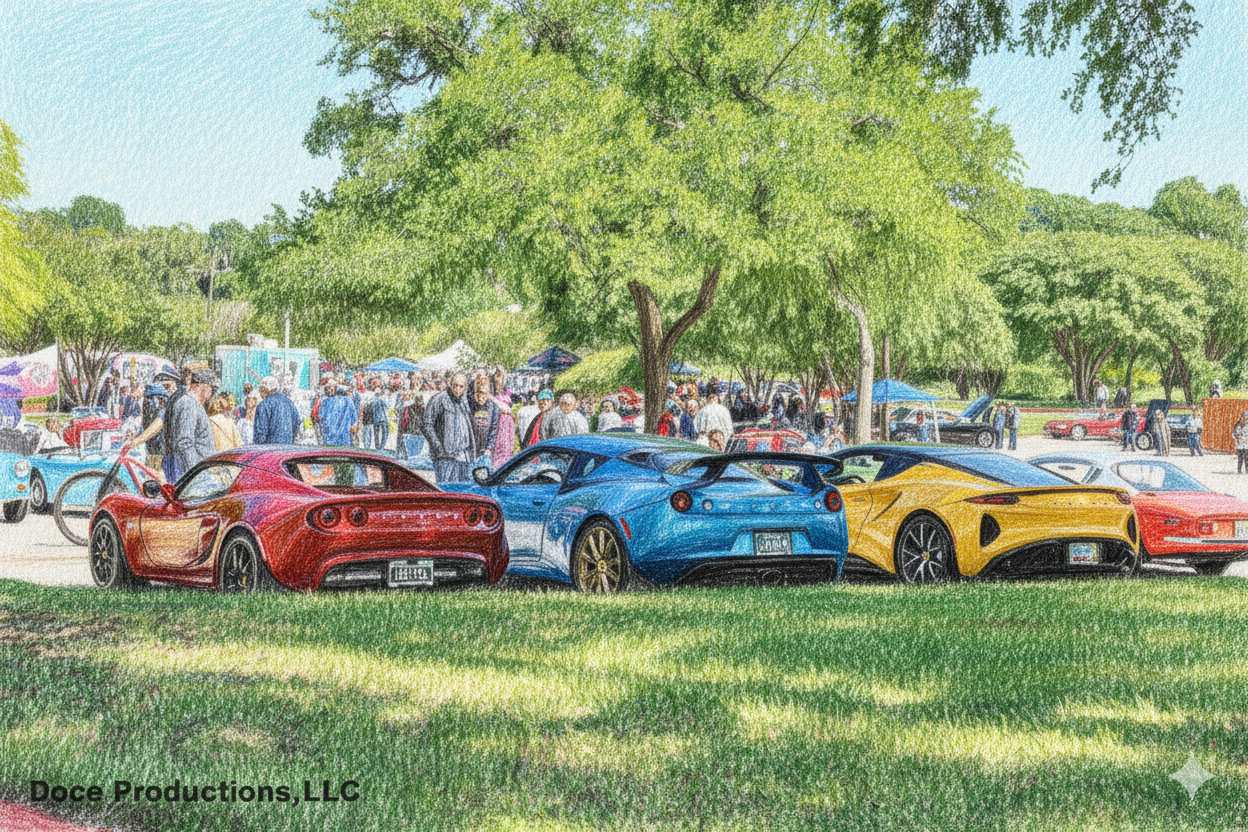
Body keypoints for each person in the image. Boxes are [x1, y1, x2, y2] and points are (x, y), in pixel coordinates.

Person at [424, 372, 478, 483]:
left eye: (461, 386)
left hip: (463, 457)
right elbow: (427, 425)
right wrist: (438, 447)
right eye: (455, 385)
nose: (457, 389)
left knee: (462, 489)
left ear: (465, 387)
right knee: (445, 487)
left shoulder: (466, 402)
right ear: (450, 384)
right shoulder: (439, 399)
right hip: (445, 458)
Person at [163, 369, 216, 483]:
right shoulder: (189, 405)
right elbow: (184, 442)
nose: (212, 393)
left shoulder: (189, 403)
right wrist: (194, 473)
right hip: (192, 473)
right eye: (211, 388)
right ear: (202, 386)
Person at [253, 375, 303, 445]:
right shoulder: (288, 401)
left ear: (264, 390)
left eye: (261, 391)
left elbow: (260, 433)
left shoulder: (263, 405)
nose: (260, 394)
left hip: (269, 449)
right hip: (287, 447)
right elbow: (297, 424)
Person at [469, 380, 500, 475]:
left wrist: (489, 448)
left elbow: (494, 429)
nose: (480, 398)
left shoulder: (493, 407)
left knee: (484, 473)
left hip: (485, 446)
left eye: (483, 395)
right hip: (472, 447)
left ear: (488, 394)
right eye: (478, 395)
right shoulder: (471, 405)